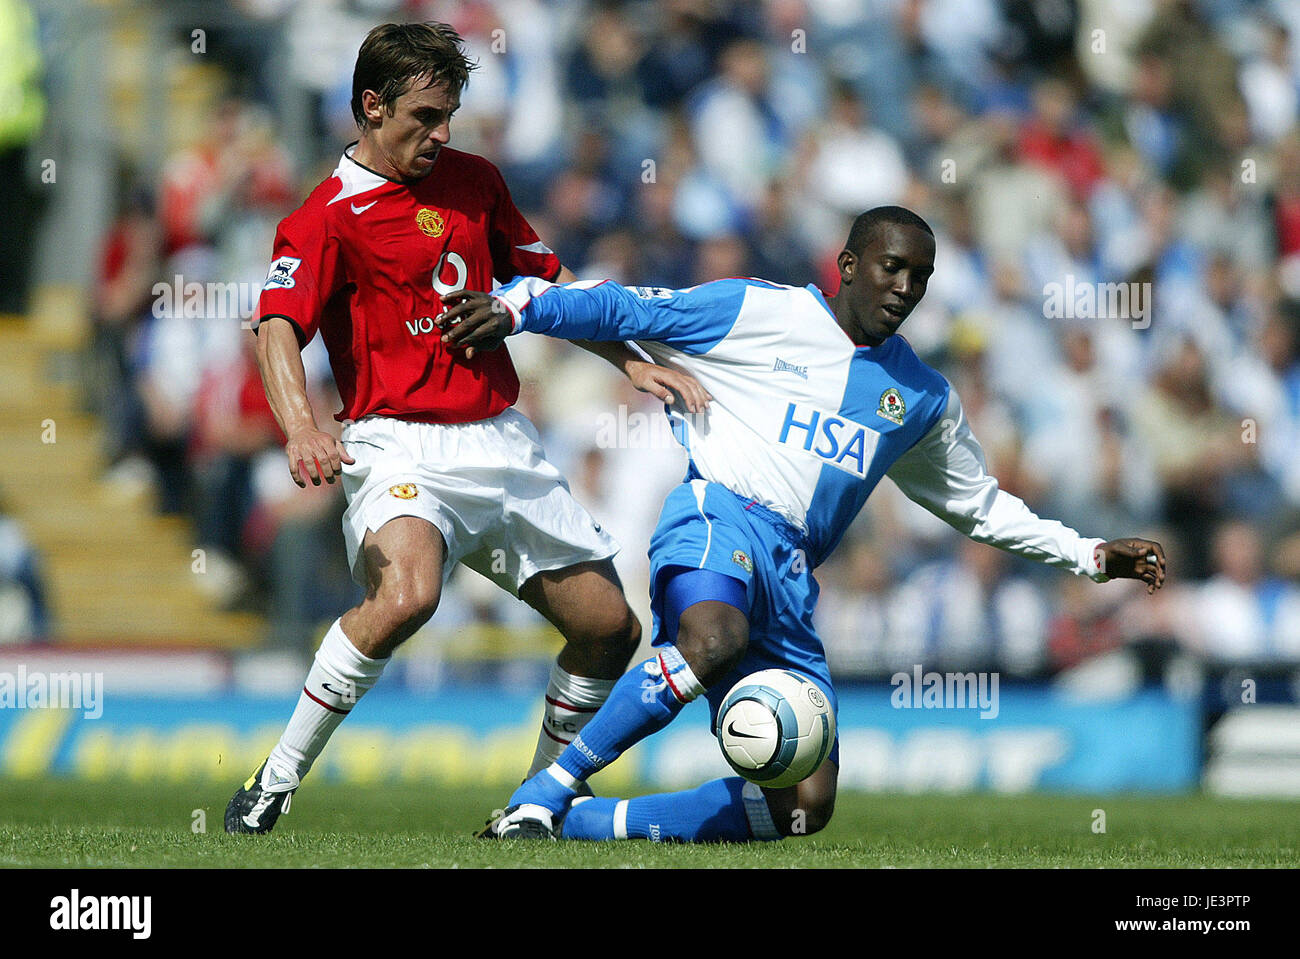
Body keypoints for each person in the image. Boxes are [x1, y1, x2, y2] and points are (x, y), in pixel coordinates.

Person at [439, 205, 1167, 842]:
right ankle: (545, 787)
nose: (906, 289)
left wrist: (1091, 553)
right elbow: (625, 308)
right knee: (711, 638)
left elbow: (978, 504)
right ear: (848, 265)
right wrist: (518, 308)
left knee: (803, 807)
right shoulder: (761, 311)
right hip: (716, 513)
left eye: (921, 275)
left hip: (789, 574)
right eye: (892, 268)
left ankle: (580, 821)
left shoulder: (919, 395)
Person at [225, 22, 708, 834]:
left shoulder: (477, 182)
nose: (441, 133)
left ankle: (534, 804)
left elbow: (547, 283)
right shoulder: (326, 215)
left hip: (499, 439)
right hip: (397, 438)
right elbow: (275, 324)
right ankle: (272, 782)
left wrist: (629, 359)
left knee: (609, 627)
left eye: (450, 113)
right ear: (372, 107)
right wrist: (301, 427)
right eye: (424, 116)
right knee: (408, 593)